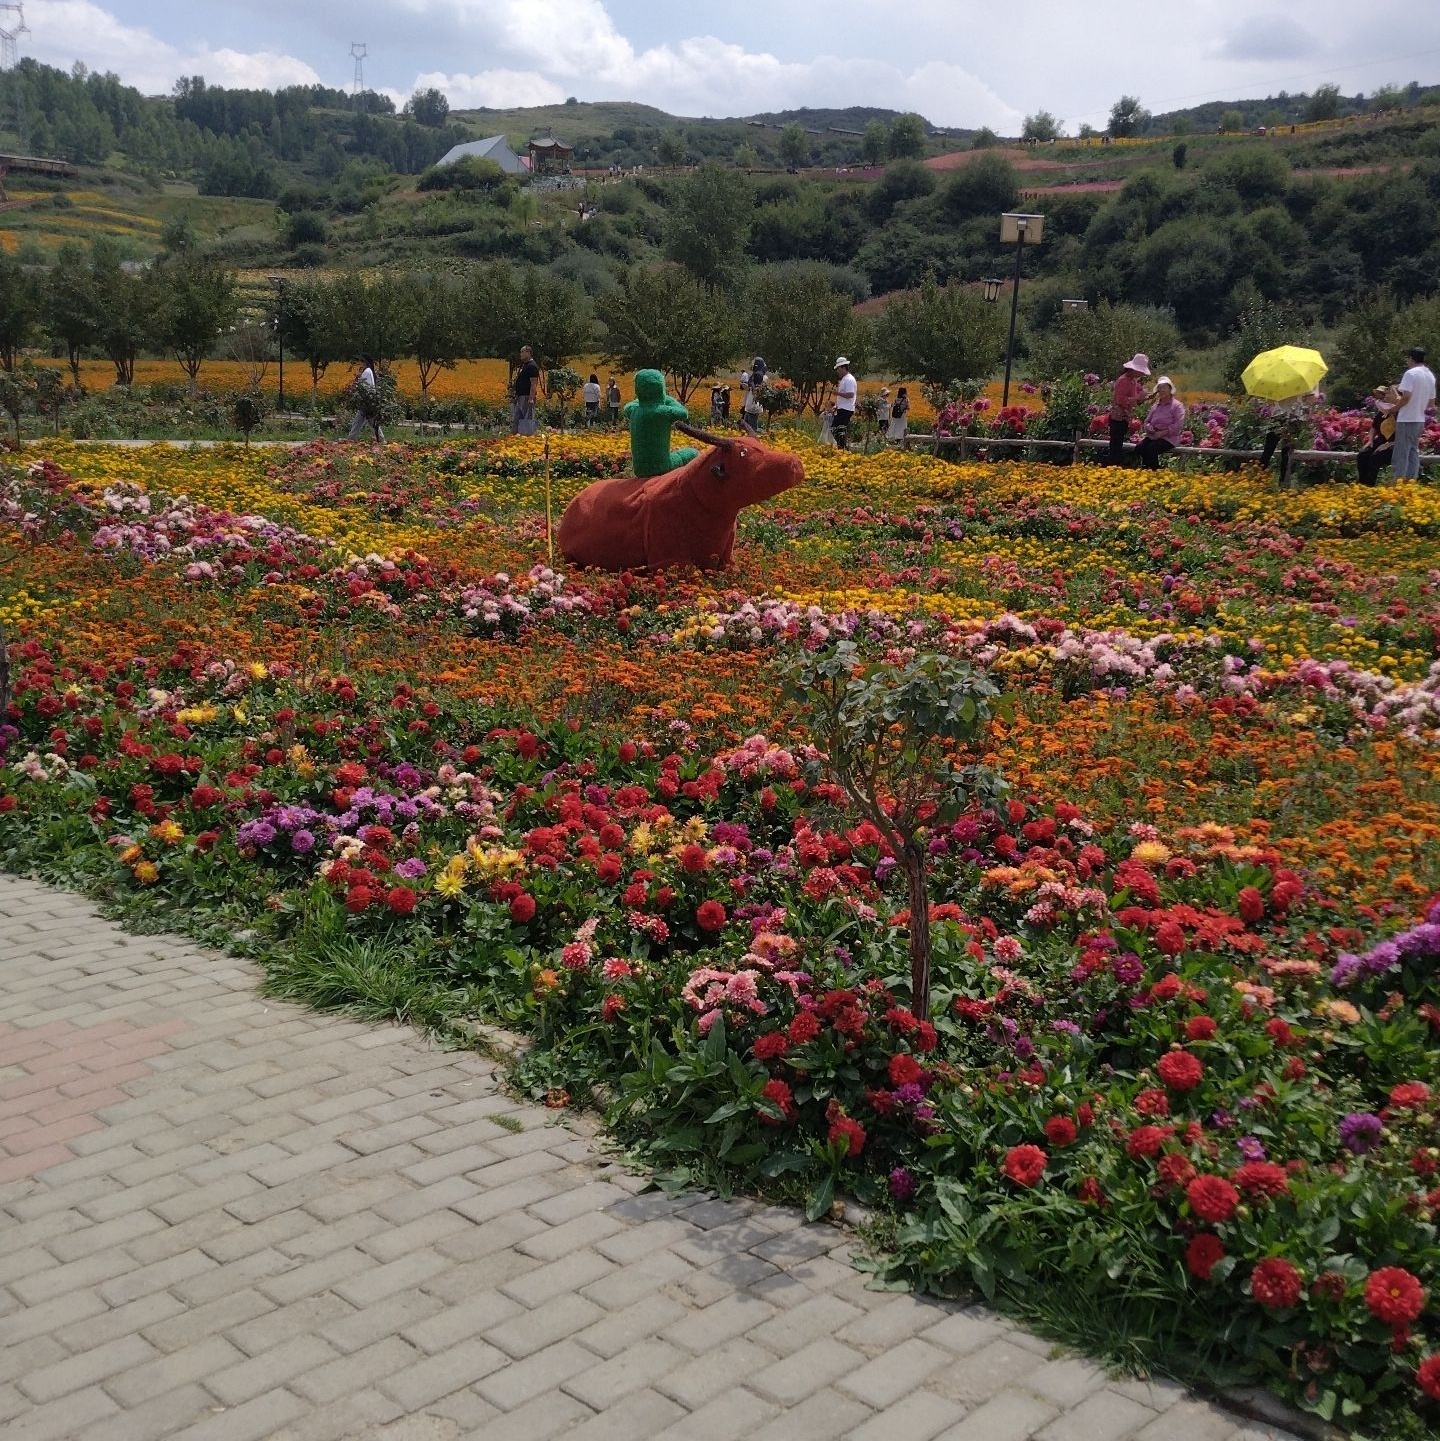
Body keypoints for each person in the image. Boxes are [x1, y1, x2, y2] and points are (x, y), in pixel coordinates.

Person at [624, 369, 731, 478]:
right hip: (662, 466)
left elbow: (630, 405)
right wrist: (667, 398)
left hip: (639, 469)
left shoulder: (633, 410)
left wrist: (645, 398)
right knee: (692, 453)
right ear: (661, 388)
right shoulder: (661, 411)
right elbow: (683, 413)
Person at [1390, 346, 1436, 480]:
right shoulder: (1430, 375)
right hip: (1419, 419)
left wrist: (1394, 408)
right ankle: (1411, 482)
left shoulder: (1410, 373)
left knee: (1401, 453)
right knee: (1413, 452)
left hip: (1406, 418)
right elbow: (1431, 404)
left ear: (1411, 359)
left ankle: (1397, 483)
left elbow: (1406, 397)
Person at [1108, 353, 1149, 465]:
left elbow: (1133, 400)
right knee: (1115, 445)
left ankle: (1115, 466)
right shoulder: (1123, 380)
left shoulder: (1133, 381)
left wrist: (1142, 398)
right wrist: (1137, 398)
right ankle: (1113, 466)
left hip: (1125, 417)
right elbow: (1120, 400)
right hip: (1118, 417)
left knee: (1118, 443)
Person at [1135, 376, 1185, 469]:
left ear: (1170, 389)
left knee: (1152, 449)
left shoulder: (1177, 406)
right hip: (1154, 436)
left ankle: (1154, 472)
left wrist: (1163, 432)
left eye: (1164, 387)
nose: (1161, 390)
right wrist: (1149, 427)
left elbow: (1179, 424)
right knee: (1139, 448)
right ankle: (1147, 470)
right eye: (1160, 388)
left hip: (1169, 438)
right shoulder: (1156, 405)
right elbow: (1147, 421)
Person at [1356, 386, 1398, 486]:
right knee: (1362, 455)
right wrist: (1370, 440)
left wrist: (1389, 444)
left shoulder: (1399, 413)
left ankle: (1370, 485)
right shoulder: (1381, 413)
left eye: (1387, 395)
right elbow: (1373, 427)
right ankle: (1362, 484)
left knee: (1376, 457)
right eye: (1384, 396)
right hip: (1380, 441)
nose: (1384, 398)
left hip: (1394, 445)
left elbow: (1403, 433)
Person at [344, 355, 383, 442]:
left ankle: (351, 438)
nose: (360, 363)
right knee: (363, 421)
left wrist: (355, 389)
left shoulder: (367, 372)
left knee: (367, 421)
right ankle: (351, 438)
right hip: (368, 400)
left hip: (366, 401)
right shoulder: (369, 371)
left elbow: (364, 387)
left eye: (361, 361)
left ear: (365, 362)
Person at [511, 346, 542, 435]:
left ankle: (527, 437)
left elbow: (534, 383)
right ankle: (514, 437)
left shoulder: (532, 366)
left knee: (526, 419)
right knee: (517, 419)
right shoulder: (525, 365)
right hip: (521, 396)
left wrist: (531, 398)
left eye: (522, 352)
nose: (520, 354)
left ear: (528, 353)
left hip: (527, 397)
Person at [832, 356, 858, 449]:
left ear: (843, 367)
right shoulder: (844, 379)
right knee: (837, 429)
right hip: (842, 408)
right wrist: (837, 405)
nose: (837, 371)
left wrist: (837, 393)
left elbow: (851, 394)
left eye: (838, 369)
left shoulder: (849, 379)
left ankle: (843, 448)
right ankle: (842, 447)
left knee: (838, 429)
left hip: (846, 409)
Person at [740, 357, 766, 436]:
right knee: (745, 427)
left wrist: (750, 387)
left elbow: (757, 390)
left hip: (753, 406)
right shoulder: (756, 374)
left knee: (751, 429)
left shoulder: (758, 375)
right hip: (750, 405)